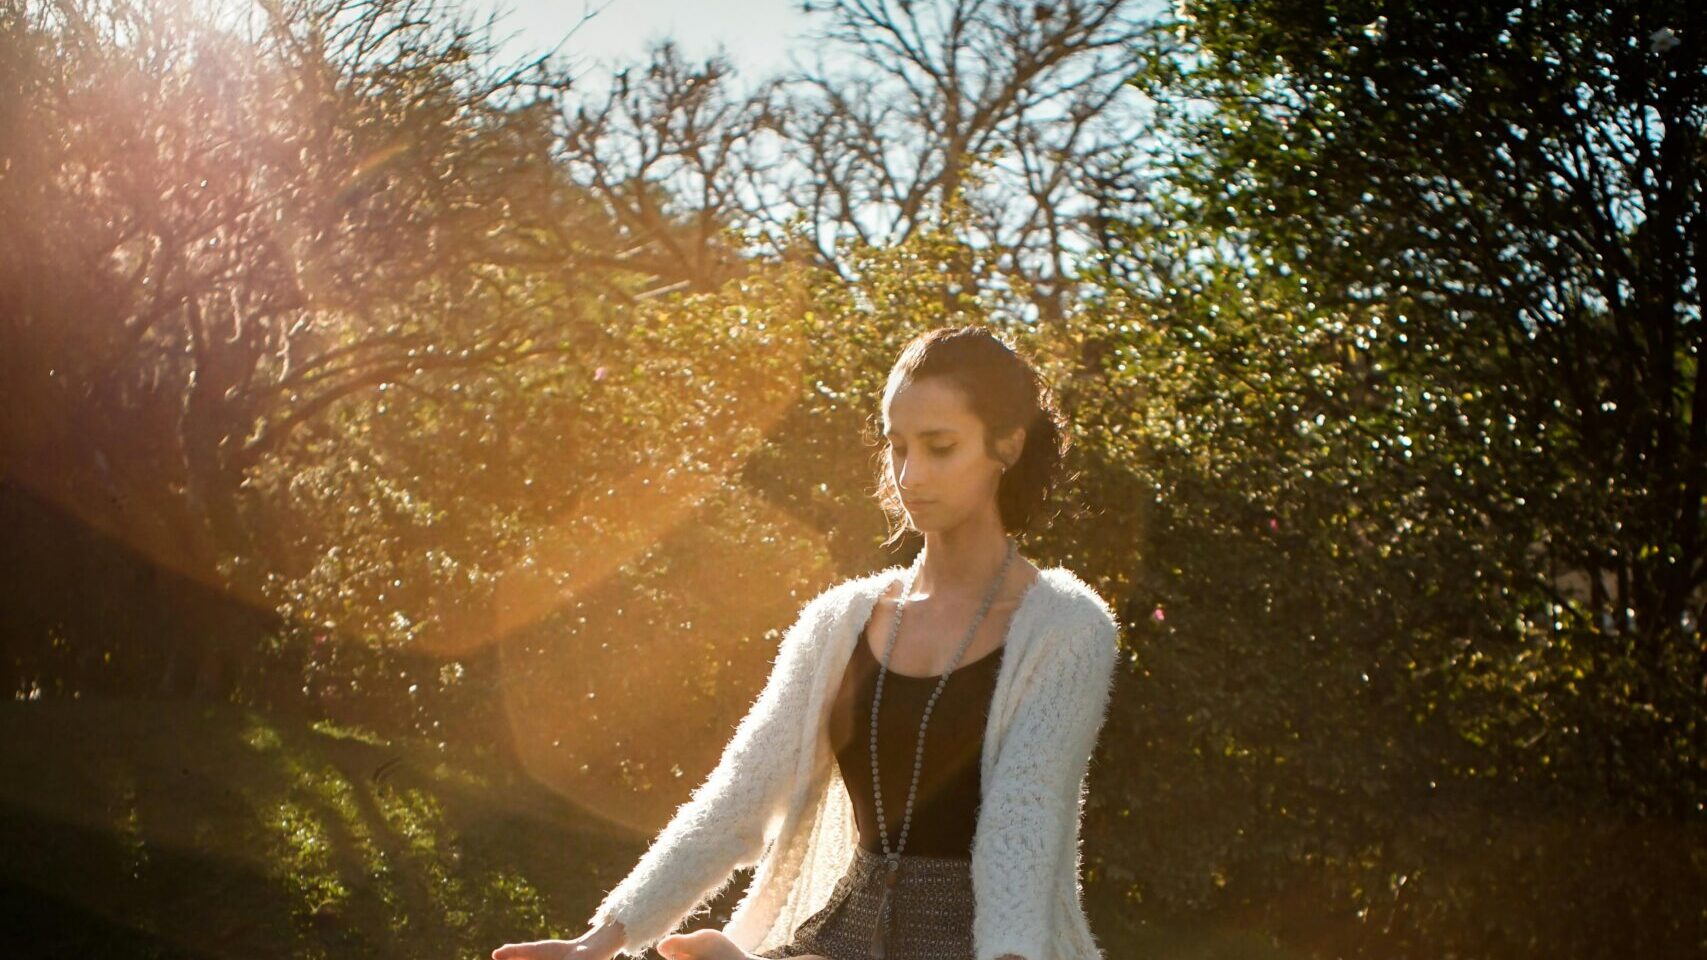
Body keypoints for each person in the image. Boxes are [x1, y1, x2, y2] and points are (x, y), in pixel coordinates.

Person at [494, 326, 1121, 960]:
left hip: (990, 945)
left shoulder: (1068, 628)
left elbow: (1024, 830)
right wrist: (602, 941)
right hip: (839, 938)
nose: (910, 475)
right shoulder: (838, 621)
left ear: (1007, 445)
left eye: (940, 447)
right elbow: (738, 796)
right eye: (897, 447)